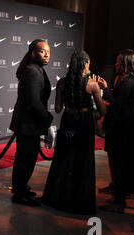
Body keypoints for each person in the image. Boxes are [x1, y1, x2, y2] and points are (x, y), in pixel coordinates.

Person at [41, 51, 106, 214]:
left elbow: (57, 109)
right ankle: (79, 201)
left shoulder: (62, 83)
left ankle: (58, 198)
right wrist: (105, 90)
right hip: (84, 123)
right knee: (83, 161)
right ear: (85, 64)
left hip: (68, 120)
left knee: (63, 160)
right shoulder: (92, 84)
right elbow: (102, 110)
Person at [99, 49, 134, 213]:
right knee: (118, 160)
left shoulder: (129, 82)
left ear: (128, 63)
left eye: (119, 61)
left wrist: (105, 90)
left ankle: (119, 201)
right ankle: (118, 191)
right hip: (123, 123)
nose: (116, 64)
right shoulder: (125, 79)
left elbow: (118, 104)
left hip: (124, 126)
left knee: (121, 161)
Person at [9, 39, 53, 206]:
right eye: (43, 51)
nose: (47, 54)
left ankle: (21, 188)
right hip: (28, 124)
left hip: (29, 124)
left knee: (26, 158)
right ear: (33, 53)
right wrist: (47, 117)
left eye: (49, 51)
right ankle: (19, 194)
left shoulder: (36, 69)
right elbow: (34, 102)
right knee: (25, 159)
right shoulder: (33, 71)